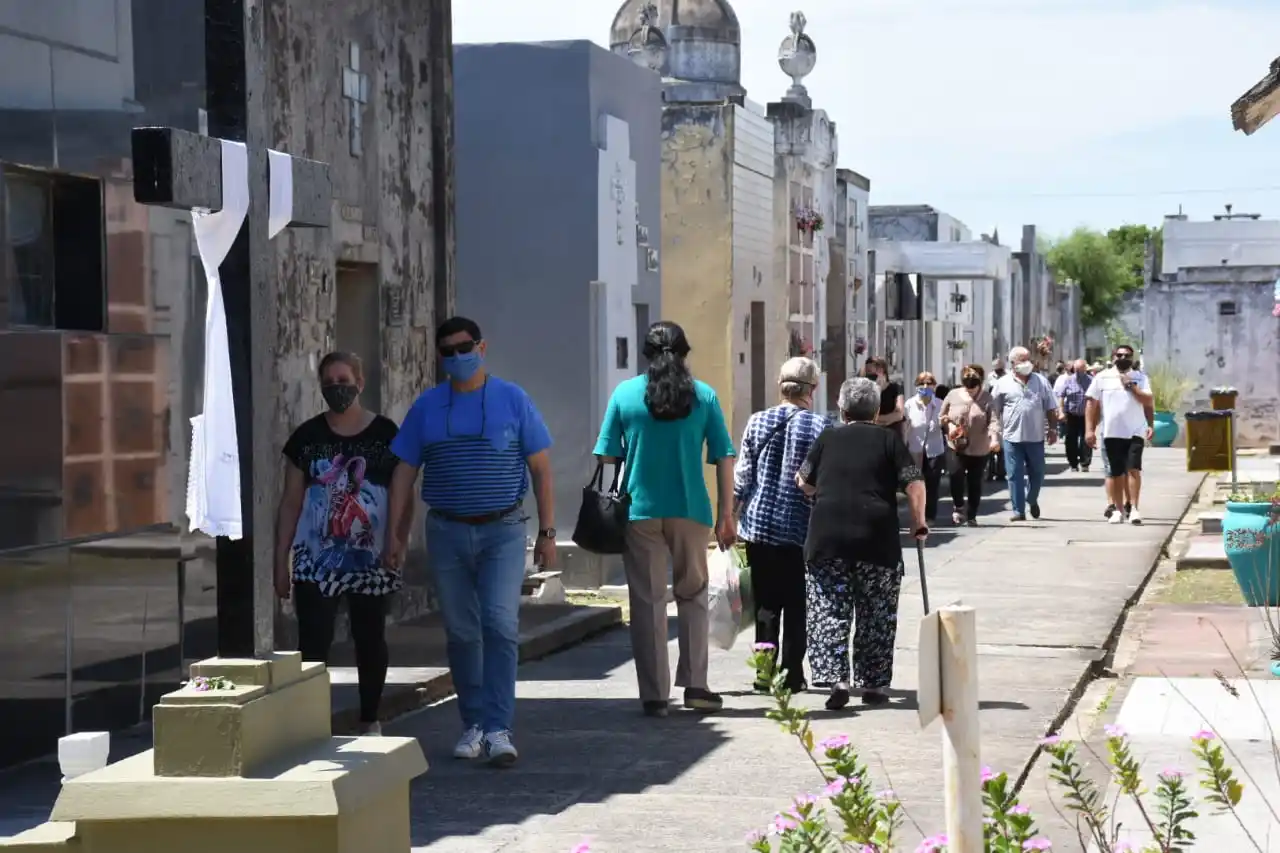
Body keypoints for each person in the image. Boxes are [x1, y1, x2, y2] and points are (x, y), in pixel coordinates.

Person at [385, 316, 556, 768]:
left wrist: (548, 533)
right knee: (461, 631)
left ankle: (499, 728)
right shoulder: (427, 408)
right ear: (440, 358)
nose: (458, 357)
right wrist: (395, 536)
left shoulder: (513, 400)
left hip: (502, 530)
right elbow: (403, 473)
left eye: (465, 347)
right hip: (447, 531)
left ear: (482, 347)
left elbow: (540, 468)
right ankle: (474, 723)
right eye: (448, 351)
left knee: (499, 624)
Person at [595, 321, 737, 718]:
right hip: (691, 511)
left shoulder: (625, 394)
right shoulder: (703, 395)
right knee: (692, 596)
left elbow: (607, 456)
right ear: (685, 353)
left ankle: (655, 695)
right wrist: (728, 514)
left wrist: (614, 491)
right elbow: (724, 456)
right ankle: (695, 685)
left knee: (648, 601)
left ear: (646, 354)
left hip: (639, 511)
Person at [274, 351, 405, 736]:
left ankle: (370, 718)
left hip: (371, 556)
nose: (338, 389)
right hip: (315, 558)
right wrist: (280, 560)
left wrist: (397, 537)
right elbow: (290, 501)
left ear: (360, 383)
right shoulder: (306, 439)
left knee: (370, 635)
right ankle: (312, 722)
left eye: (344, 380)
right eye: (329, 382)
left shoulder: (385, 435)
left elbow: (403, 492)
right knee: (314, 638)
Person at [797, 377, 926, 711]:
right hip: (876, 538)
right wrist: (918, 522)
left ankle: (837, 680)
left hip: (828, 537)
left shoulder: (827, 437)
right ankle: (873, 684)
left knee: (828, 609)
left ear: (841, 409)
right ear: (876, 409)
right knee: (877, 612)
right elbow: (914, 484)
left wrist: (822, 488)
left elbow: (804, 481)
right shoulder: (888, 440)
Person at [734, 357, 828, 694]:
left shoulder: (758, 422)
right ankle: (791, 673)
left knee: (765, 603)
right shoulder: (820, 427)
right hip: (800, 530)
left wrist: (729, 518)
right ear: (811, 389)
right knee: (797, 603)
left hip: (758, 526)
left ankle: (763, 671)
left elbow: (743, 476)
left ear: (780, 386)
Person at [1085, 344, 1154, 525]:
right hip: (1112, 432)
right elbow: (1092, 404)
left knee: (1133, 469)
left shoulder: (1141, 378)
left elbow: (1148, 401)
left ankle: (1135, 509)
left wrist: (1131, 386)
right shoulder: (1102, 377)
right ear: (1113, 357)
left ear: (1132, 358)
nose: (1123, 358)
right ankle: (1118, 510)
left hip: (1135, 431)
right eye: (1120, 355)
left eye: (1127, 355)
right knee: (1116, 473)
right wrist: (1089, 430)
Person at [991, 346, 1060, 522]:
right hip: (1011, 437)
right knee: (1014, 474)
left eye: (1028, 359)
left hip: (1035, 437)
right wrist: (994, 433)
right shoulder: (1002, 383)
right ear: (1013, 363)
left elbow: (1051, 407)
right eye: (1023, 360)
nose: (1027, 363)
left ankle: (1031, 498)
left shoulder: (1041, 381)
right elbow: (994, 411)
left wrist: (1053, 429)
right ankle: (1018, 510)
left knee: (1038, 472)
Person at [940, 364, 1000, 526]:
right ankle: (958, 507)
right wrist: (950, 426)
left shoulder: (987, 398)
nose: (970, 390)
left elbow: (993, 421)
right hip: (956, 445)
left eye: (973, 387)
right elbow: (942, 416)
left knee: (975, 481)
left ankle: (972, 514)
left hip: (979, 447)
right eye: (967, 387)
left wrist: (994, 439)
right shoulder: (953, 395)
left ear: (980, 383)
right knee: (955, 475)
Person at [904, 371, 946, 521]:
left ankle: (929, 516)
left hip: (934, 450)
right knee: (914, 486)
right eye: (922, 383)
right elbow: (906, 427)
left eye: (929, 383)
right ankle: (916, 515)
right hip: (914, 450)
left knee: (932, 485)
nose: (925, 386)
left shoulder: (940, 404)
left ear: (934, 386)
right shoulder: (909, 404)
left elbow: (945, 425)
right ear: (916, 386)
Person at [1057, 359, 1093, 472]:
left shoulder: (1091, 381)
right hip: (1071, 415)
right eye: (1076, 370)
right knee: (1070, 440)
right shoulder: (1068, 380)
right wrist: (1061, 411)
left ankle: (1085, 463)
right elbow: (1061, 396)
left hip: (1086, 415)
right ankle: (1073, 463)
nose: (1078, 372)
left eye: (1080, 370)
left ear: (1085, 369)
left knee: (1085, 439)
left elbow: (1096, 398)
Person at [864, 357, 904, 436]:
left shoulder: (896, 388)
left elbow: (899, 415)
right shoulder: (866, 390)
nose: (868, 376)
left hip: (892, 434)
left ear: (881, 370)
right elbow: (866, 416)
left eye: (870, 371)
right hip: (874, 435)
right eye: (867, 372)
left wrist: (877, 420)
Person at [985, 359, 1008, 481]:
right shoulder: (990, 378)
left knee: (1001, 447)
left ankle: (1001, 472)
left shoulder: (1008, 377)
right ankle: (990, 471)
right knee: (990, 446)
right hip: (991, 412)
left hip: (1003, 415)